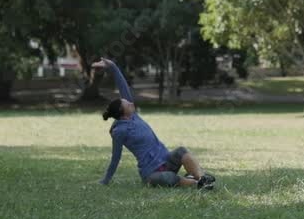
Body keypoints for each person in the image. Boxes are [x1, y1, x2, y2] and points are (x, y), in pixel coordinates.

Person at [92, 57, 215, 189]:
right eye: (127, 104)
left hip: (166, 161)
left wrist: (112, 66)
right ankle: (198, 184)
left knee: (181, 151)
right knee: (169, 177)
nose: (131, 103)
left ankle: (202, 177)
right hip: (151, 173)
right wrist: (105, 180)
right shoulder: (119, 131)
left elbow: (123, 86)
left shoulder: (134, 116)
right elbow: (115, 158)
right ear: (122, 113)